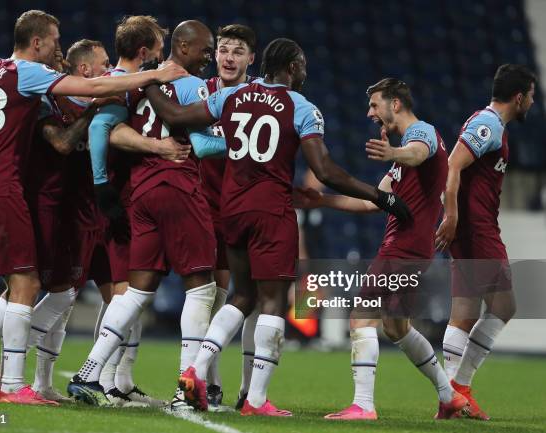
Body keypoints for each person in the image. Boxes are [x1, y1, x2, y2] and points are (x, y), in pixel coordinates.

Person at [142, 38, 412, 416]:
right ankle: (255, 401)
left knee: (242, 296)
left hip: (232, 209)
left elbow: (176, 115)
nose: (304, 72)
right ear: (293, 66)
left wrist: (149, 80)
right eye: (302, 66)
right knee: (274, 303)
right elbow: (326, 171)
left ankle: (195, 369)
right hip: (271, 211)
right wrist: (382, 197)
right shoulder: (302, 107)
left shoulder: (231, 96)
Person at [0, 8, 186, 406]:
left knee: (36, 288)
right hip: (20, 193)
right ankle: (9, 383)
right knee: (28, 287)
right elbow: (76, 115)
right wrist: (155, 75)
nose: (58, 49)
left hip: (3, 188)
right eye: (55, 41)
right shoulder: (33, 81)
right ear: (37, 42)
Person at [67, 20, 221, 409]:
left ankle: (88, 373)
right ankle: (188, 390)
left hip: (142, 191)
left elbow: (106, 128)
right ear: (182, 47)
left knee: (136, 290)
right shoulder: (188, 84)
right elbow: (202, 148)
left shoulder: (133, 86)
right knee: (202, 287)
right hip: (179, 186)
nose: (209, 56)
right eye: (205, 49)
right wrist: (236, 138)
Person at [299, 78, 465, 420]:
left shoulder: (422, 135)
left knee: (361, 317)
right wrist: (323, 201)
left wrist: (393, 152)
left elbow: (418, 153)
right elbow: (373, 203)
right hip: (413, 250)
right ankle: (449, 397)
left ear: (396, 104)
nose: (370, 112)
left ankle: (363, 405)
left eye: (375, 104)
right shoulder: (405, 154)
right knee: (396, 327)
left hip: (402, 248)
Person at [86, 15, 186, 408]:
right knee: (124, 296)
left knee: (128, 295)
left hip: (122, 196)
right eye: (159, 49)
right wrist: (100, 185)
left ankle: (119, 379)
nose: (162, 56)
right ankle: (104, 380)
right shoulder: (120, 86)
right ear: (144, 52)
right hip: (116, 199)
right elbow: (101, 131)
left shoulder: (130, 83)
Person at [435, 64, 536, 420]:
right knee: (504, 306)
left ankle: (450, 399)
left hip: (472, 229)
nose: (533, 103)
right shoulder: (489, 124)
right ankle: (459, 388)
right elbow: (452, 165)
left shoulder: (491, 124)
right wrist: (452, 215)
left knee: (464, 313)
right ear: (519, 97)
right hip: (477, 230)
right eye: (532, 96)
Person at [201, 23, 258, 411]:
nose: (229, 57)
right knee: (209, 294)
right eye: (224, 49)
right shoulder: (199, 91)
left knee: (250, 295)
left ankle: (249, 390)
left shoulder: (261, 98)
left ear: (251, 58)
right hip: (202, 204)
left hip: (244, 206)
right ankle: (209, 379)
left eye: (238, 51)